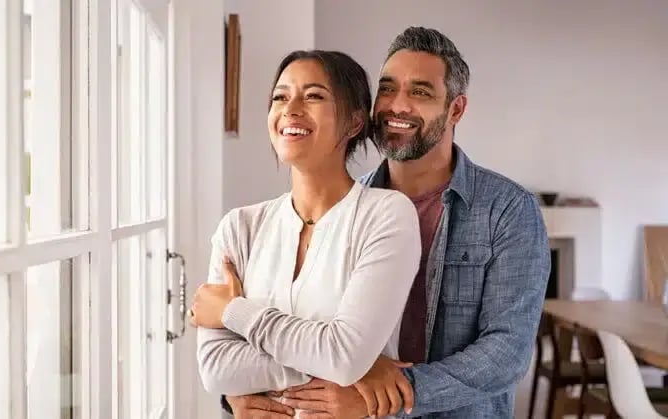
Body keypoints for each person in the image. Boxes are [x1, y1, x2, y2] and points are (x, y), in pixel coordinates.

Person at [225, 27, 551, 418]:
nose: (397, 106)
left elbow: (506, 353)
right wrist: (240, 391)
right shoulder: (343, 207)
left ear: (456, 110)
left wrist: (393, 393)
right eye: (387, 88)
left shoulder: (508, 210)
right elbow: (304, 330)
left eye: (420, 92)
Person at [190, 50, 423, 418]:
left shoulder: (386, 215)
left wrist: (233, 311)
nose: (291, 109)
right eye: (280, 97)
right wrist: (351, 363)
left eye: (313, 96)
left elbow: (344, 356)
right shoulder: (239, 227)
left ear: (354, 122)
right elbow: (216, 369)